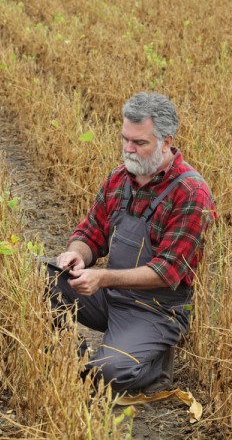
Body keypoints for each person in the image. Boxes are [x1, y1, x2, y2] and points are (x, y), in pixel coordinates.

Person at [50, 92, 217, 394]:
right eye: (125, 139)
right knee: (38, 278)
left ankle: (151, 366)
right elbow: (90, 234)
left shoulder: (191, 192)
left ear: (166, 141)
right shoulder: (119, 178)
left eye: (139, 143)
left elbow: (167, 272)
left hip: (154, 309)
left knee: (108, 375)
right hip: (111, 295)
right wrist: (75, 255)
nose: (128, 149)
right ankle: (69, 361)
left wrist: (102, 277)